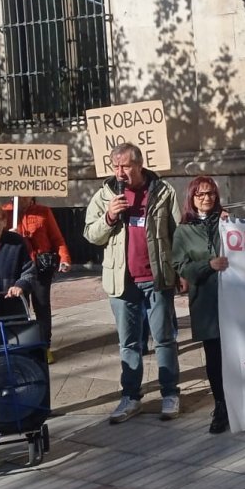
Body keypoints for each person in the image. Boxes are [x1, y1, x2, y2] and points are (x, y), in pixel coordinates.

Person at [83, 143, 182, 423]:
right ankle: (130, 397)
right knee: (128, 343)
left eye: (125, 166)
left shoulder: (163, 192)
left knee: (164, 340)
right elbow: (91, 234)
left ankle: (170, 393)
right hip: (122, 282)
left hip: (156, 278)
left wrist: (180, 273)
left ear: (139, 165)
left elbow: (178, 235)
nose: (120, 172)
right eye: (115, 166)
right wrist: (110, 216)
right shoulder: (105, 195)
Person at [172, 176, 231, 434]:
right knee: (215, 356)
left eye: (211, 194)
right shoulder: (183, 231)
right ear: (192, 198)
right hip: (206, 303)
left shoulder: (227, 222)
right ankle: (221, 405)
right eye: (201, 195)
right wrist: (208, 265)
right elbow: (180, 266)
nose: (207, 199)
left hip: (234, 300)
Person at [4, 197, 72, 363]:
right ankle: (22, 346)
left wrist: (64, 258)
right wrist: (9, 236)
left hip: (41, 267)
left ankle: (44, 346)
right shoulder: (4, 212)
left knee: (42, 307)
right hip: (17, 268)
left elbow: (56, 237)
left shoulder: (43, 211)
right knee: (20, 308)